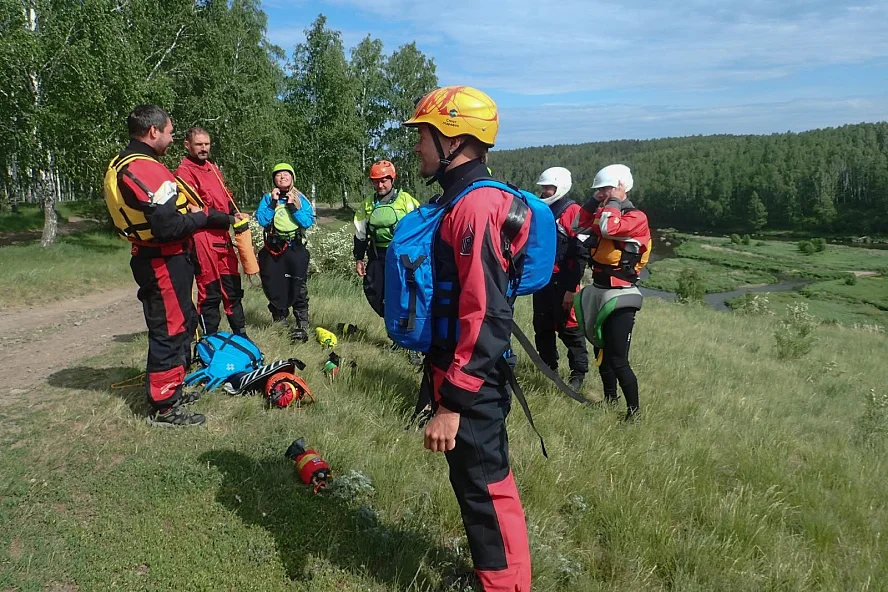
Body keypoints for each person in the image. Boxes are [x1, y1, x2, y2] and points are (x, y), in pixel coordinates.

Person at [404, 86, 531, 591]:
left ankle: (505, 586)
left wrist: (452, 403)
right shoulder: (458, 201)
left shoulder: (475, 208)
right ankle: (493, 574)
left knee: (487, 492)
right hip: (457, 371)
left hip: (471, 383)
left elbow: (486, 315)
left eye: (423, 136)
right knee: (475, 485)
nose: (416, 147)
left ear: (453, 139)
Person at [104, 105, 208, 427]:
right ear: (153, 132)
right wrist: (201, 218)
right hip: (160, 259)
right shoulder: (143, 167)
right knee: (169, 327)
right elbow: (166, 228)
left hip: (165, 257)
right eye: (170, 131)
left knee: (184, 319)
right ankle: (164, 405)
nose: (173, 137)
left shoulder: (128, 163)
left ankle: (174, 387)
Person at [573, 164, 651, 420]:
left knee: (618, 359)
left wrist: (615, 200)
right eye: (600, 189)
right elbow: (577, 226)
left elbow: (608, 230)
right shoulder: (604, 211)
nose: (603, 193)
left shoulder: (635, 217)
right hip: (600, 287)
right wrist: (592, 200)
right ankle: (609, 399)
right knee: (600, 350)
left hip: (621, 293)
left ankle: (634, 414)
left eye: (606, 188)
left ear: (621, 187)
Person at [175, 127, 250, 337]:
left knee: (232, 288)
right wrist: (229, 219)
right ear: (187, 145)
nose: (204, 148)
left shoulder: (213, 168)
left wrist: (237, 213)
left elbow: (226, 197)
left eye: (207, 144)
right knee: (210, 291)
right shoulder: (183, 172)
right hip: (202, 237)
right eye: (199, 144)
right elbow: (198, 210)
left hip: (223, 236)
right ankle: (210, 340)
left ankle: (241, 337)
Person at [532, 166, 589, 392]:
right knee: (542, 326)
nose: (545, 191)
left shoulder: (574, 212)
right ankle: (548, 369)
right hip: (543, 280)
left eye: (549, 188)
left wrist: (571, 288)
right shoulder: (541, 210)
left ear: (561, 186)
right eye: (544, 187)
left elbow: (581, 253)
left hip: (564, 282)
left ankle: (578, 374)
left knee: (569, 328)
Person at [255, 163, 314, 342]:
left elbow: (307, 222)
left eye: (286, 174)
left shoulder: (300, 199)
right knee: (275, 285)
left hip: (294, 248)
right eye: (278, 175)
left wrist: (293, 207)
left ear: (292, 178)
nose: (282, 177)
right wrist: (273, 203)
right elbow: (262, 220)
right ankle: (280, 322)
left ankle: (302, 323)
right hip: (274, 250)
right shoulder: (268, 198)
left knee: (299, 287)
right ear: (274, 179)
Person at [353, 160, 419, 317]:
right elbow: (360, 232)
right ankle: (390, 321)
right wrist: (359, 258)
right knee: (375, 292)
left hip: (402, 255)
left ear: (392, 180)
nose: (380, 185)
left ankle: (398, 333)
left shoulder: (406, 200)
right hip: (377, 255)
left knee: (400, 294)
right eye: (376, 182)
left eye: (383, 181)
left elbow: (420, 226)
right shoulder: (368, 203)